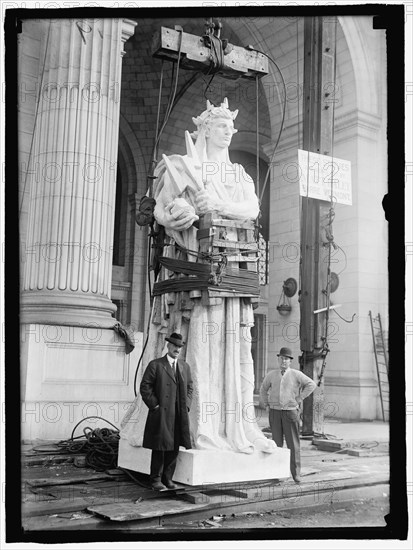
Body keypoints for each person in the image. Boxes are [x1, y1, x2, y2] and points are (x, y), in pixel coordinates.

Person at [120, 98, 276, 456]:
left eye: (231, 127)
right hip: (192, 267)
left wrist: (216, 207)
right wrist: (175, 213)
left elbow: (251, 209)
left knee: (232, 345)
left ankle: (233, 426)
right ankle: (195, 427)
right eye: (223, 126)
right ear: (205, 129)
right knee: (199, 337)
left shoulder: (238, 174)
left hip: (231, 267)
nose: (229, 131)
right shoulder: (179, 167)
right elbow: (157, 207)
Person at [140, 332, 193, 491]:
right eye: (175, 345)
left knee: (174, 447)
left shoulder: (184, 366)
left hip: (178, 413)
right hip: (161, 413)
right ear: (168, 346)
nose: (177, 349)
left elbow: (190, 387)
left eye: (180, 346)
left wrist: (187, 406)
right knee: (160, 447)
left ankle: (168, 479)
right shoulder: (156, 364)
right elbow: (145, 387)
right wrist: (154, 405)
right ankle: (155, 480)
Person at [259, 347, 316, 483]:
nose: (283, 361)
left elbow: (311, 384)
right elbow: (263, 389)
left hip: (290, 412)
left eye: (286, 359)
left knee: (293, 444)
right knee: (276, 443)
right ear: (278, 359)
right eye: (281, 358)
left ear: (290, 361)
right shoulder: (272, 375)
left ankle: (296, 474)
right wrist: (266, 404)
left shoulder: (296, 374)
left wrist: (300, 398)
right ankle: (277, 473)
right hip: (275, 412)